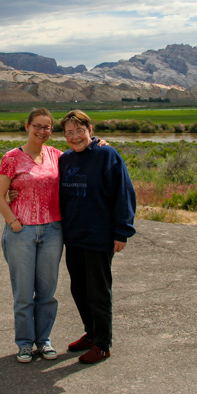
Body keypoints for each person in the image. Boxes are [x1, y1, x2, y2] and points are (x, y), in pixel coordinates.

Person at [58, 110, 136, 364]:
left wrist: (122, 230)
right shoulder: (65, 159)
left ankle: (103, 344)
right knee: (79, 289)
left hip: (99, 236)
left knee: (98, 292)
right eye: (69, 132)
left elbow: (124, 192)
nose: (75, 136)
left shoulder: (106, 154)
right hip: (74, 235)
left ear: (90, 130)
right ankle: (91, 333)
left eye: (80, 130)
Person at [0, 108, 64, 363]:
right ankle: (24, 343)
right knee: (23, 293)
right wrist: (13, 223)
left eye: (47, 127)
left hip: (53, 232)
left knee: (47, 292)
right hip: (21, 232)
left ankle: (43, 340)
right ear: (27, 126)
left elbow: (85, 157)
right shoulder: (12, 158)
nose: (42, 131)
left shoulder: (58, 156)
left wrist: (100, 143)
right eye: (38, 126)